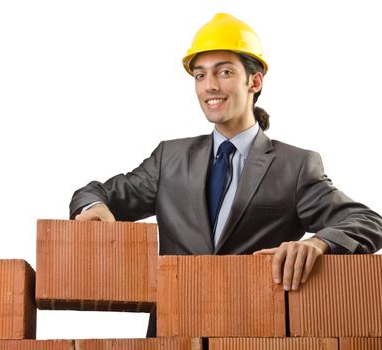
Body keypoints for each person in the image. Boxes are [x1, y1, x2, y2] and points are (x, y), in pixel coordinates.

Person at [69, 13, 382, 336]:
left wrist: (318, 244)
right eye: (200, 75)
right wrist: (93, 208)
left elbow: (367, 222)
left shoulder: (294, 166)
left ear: (255, 81)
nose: (210, 86)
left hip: (255, 334)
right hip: (173, 335)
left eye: (225, 72)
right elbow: (93, 193)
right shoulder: (169, 159)